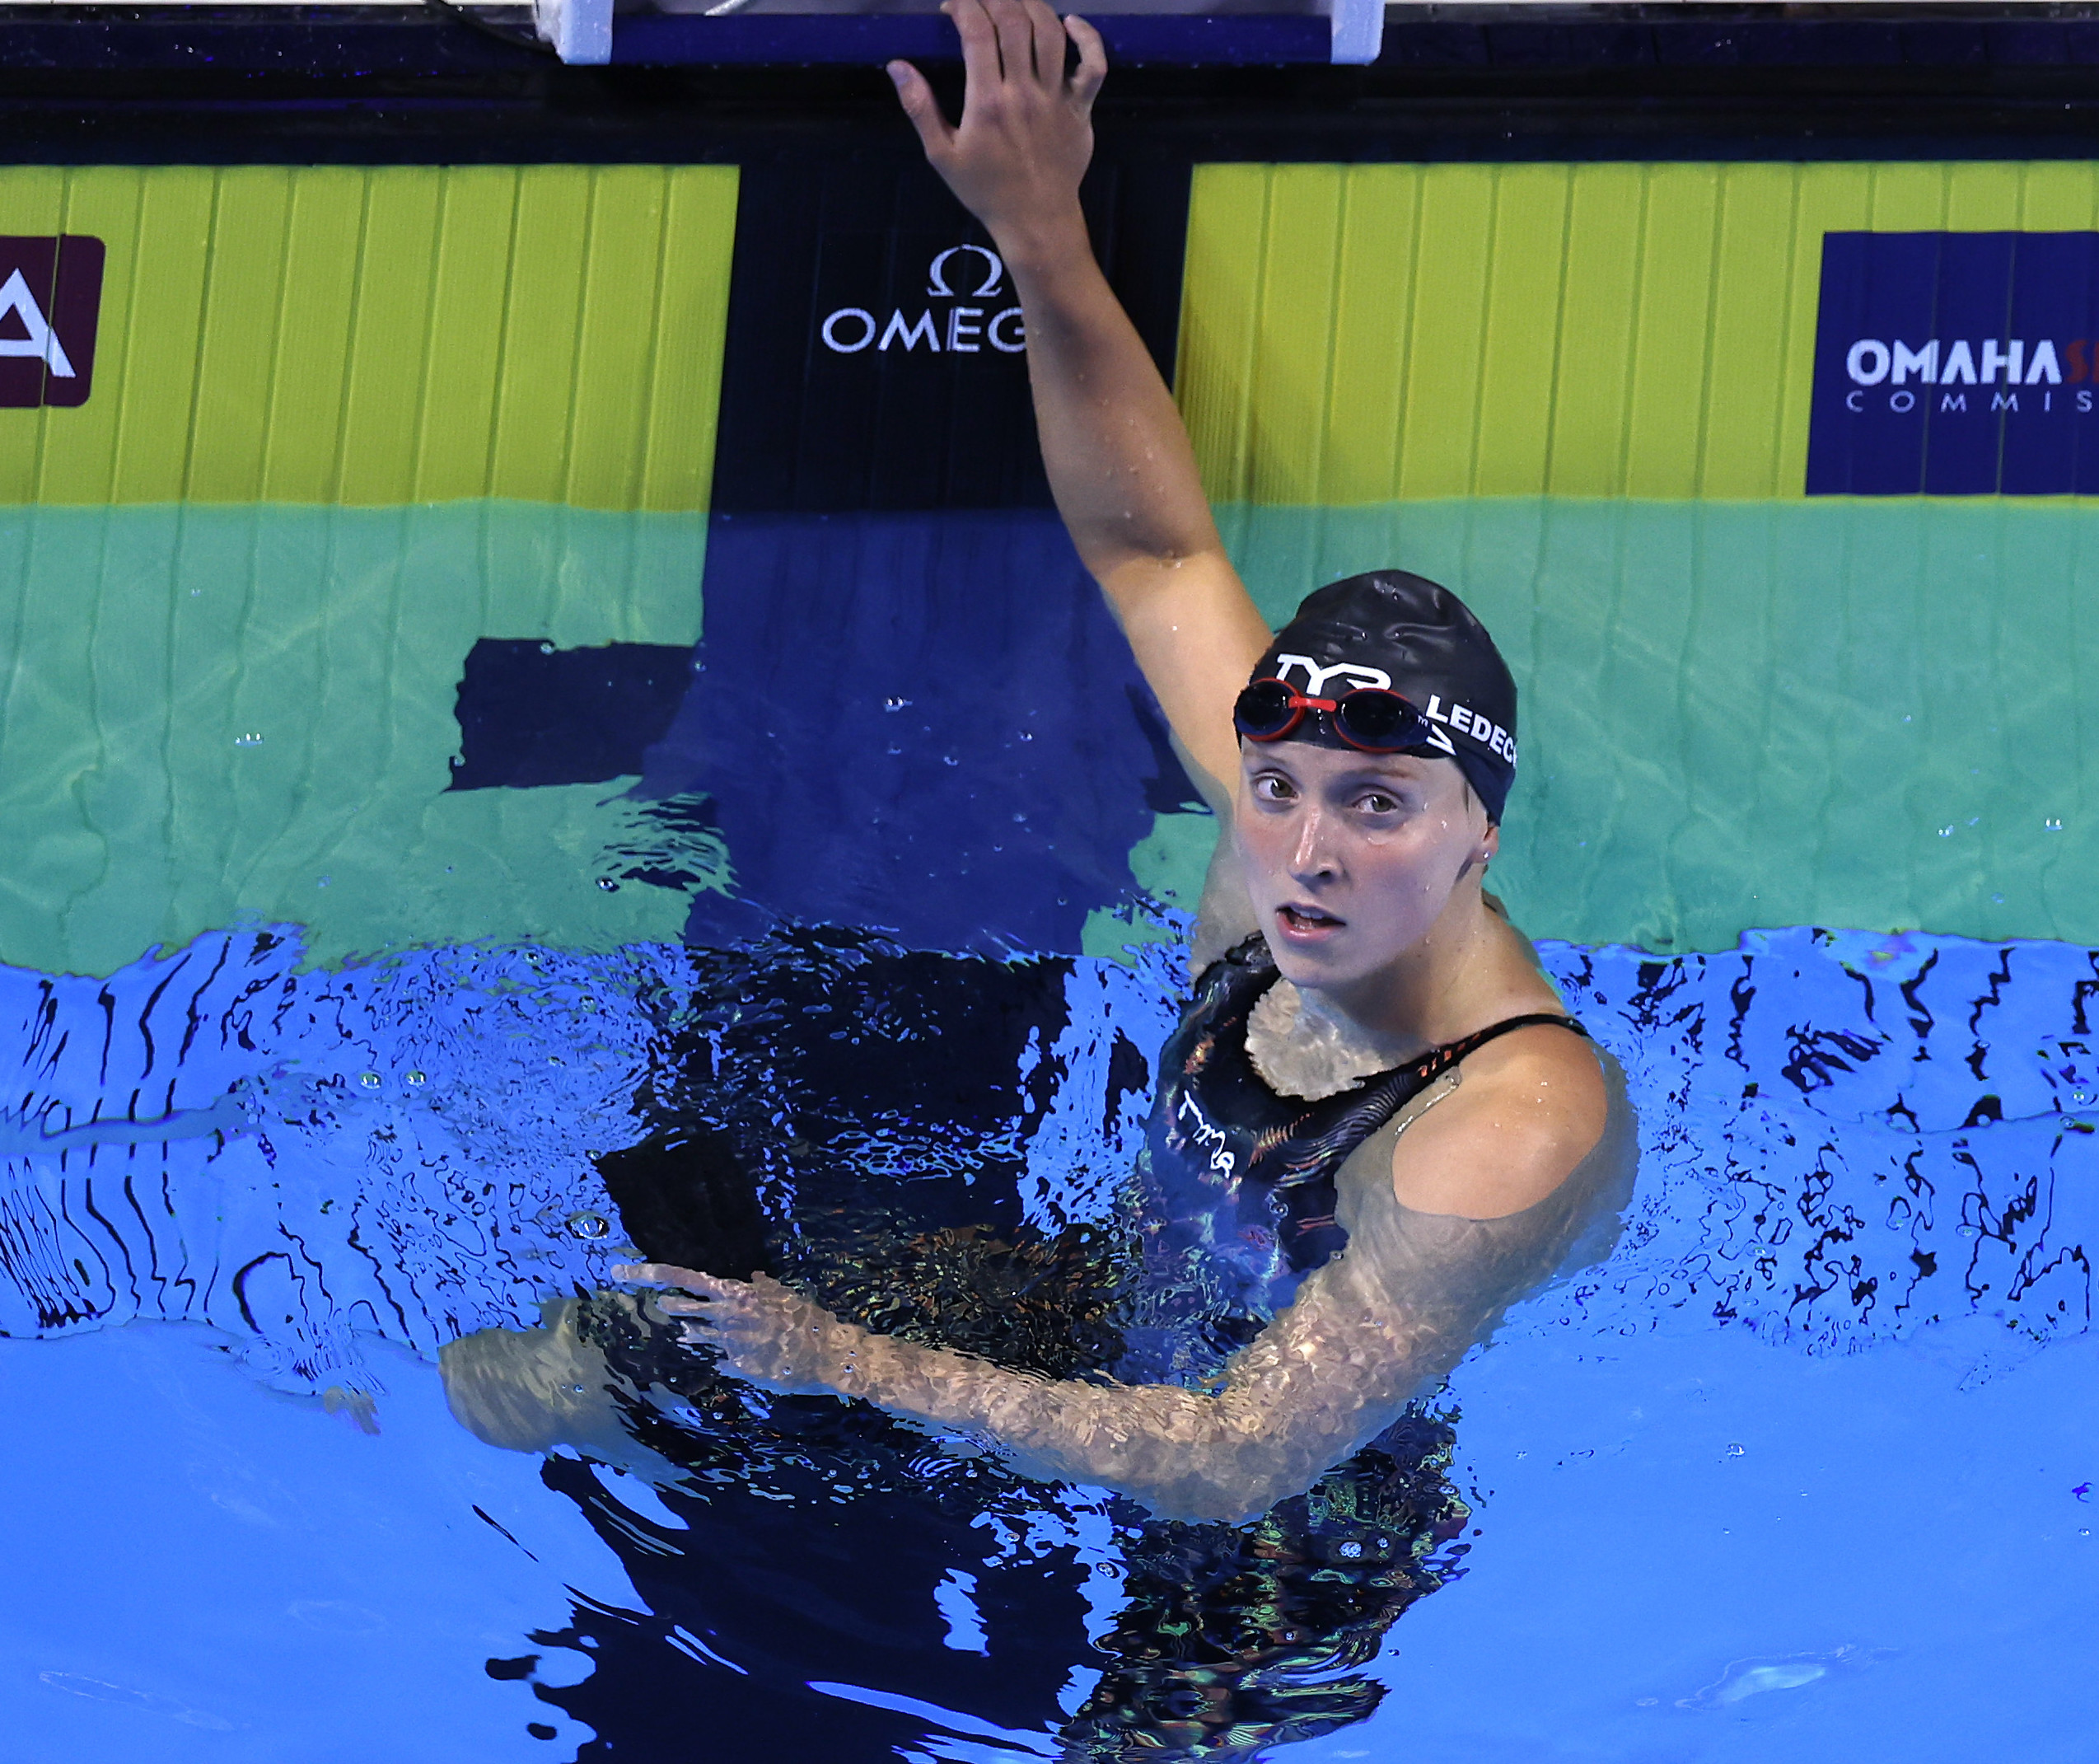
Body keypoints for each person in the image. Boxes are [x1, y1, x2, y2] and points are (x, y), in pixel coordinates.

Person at [615, 0, 1639, 1530]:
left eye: (1375, 807)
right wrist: (1039, 226)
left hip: (1291, 1535)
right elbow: (1155, 552)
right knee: (631, 1342)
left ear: (1481, 832)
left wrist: (849, 1360)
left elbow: (1236, 1458)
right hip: (1114, 1314)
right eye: (1280, 785)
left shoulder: (1512, 1122)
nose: (1302, 847)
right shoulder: (1286, 822)